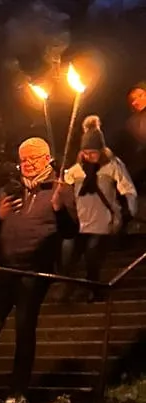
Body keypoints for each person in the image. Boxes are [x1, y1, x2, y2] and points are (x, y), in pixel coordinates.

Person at [0, 138, 77, 403]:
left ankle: (17, 391)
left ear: (48, 159)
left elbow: (71, 231)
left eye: (33, 159)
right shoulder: (10, 190)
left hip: (34, 272)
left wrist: (59, 211)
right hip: (2, 268)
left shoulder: (59, 190)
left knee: (24, 328)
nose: (27, 165)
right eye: (23, 159)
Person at [61, 115, 138, 301]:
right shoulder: (77, 169)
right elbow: (64, 186)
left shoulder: (112, 166)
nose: (90, 156)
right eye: (86, 152)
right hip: (80, 222)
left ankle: (94, 289)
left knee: (92, 256)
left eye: (93, 152)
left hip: (103, 222)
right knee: (67, 256)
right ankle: (68, 289)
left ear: (101, 149)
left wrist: (128, 213)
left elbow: (128, 189)